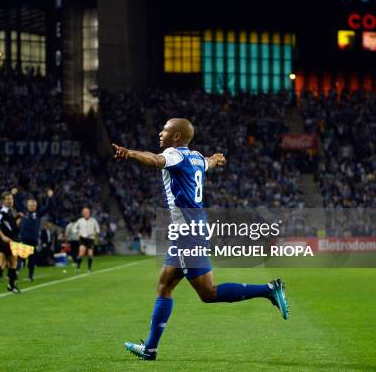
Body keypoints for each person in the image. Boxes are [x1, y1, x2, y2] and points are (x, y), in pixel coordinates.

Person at [114, 118, 289, 360]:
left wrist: (129, 153)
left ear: (176, 137)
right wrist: (217, 158)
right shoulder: (196, 157)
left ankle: (269, 289)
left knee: (208, 293)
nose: (160, 133)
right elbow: (209, 162)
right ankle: (150, 349)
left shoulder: (174, 154)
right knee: (164, 286)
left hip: (187, 233)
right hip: (192, 230)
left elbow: (155, 160)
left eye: (164, 130)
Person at [18, 189, 54, 281]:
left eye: (34, 205)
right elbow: (16, 204)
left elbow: (48, 207)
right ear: (27, 205)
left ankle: (30, 275)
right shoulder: (24, 212)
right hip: (23, 237)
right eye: (30, 205)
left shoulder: (38, 213)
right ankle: (16, 272)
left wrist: (50, 197)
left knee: (32, 258)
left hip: (33, 239)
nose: (32, 206)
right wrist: (15, 194)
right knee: (20, 256)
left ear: (36, 206)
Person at [0, 191, 20, 293]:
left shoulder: (10, 211)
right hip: (7, 241)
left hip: (10, 240)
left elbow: (11, 227)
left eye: (11, 199)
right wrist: (3, 236)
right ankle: (11, 285)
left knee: (3, 264)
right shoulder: (1, 212)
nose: (10, 201)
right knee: (12, 263)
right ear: (3, 201)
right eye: (7, 199)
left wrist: (18, 218)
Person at [73, 207, 100, 273]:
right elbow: (74, 228)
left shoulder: (93, 220)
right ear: (83, 213)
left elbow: (98, 229)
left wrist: (94, 233)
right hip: (83, 239)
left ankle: (89, 269)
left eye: (87, 212)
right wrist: (78, 233)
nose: (86, 213)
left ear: (89, 213)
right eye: (85, 212)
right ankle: (78, 268)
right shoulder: (80, 220)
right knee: (81, 253)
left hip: (90, 239)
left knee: (90, 254)